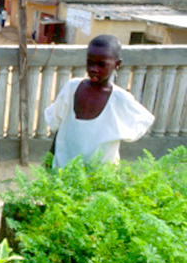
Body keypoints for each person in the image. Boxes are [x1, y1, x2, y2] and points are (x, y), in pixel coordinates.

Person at [44, 35, 154, 169]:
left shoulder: (120, 98)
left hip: (100, 175)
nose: (94, 69)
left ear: (117, 64)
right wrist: (50, 159)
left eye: (102, 64)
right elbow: (60, 127)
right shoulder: (72, 88)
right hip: (64, 168)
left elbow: (143, 120)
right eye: (90, 63)